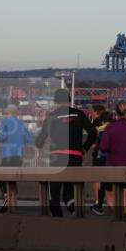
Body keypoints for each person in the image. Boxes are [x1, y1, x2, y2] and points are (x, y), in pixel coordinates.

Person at [34, 88, 97, 217]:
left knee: (55, 193)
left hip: (57, 158)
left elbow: (40, 141)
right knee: (69, 192)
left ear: (56, 102)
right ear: (69, 100)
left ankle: (58, 221)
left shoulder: (52, 116)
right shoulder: (79, 114)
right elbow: (93, 132)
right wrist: (85, 147)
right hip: (75, 157)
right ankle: (75, 211)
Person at [0, 105, 32, 212]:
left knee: (2, 178)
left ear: (8, 112)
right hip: (18, 157)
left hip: (7, 156)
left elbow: (2, 138)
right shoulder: (22, 124)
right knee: (12, 179)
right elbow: (28, 140)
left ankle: (7, 196)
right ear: (17, 113)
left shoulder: (4, 122)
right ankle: (12, 203)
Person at [88, 107, 110, 214]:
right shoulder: (114, 126)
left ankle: (98, 203)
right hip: (112, 157)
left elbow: (93, 134)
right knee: (107, 181)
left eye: (92, 112)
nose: (90, 114)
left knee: (98, 179)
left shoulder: (99, 126)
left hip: (100, 156)